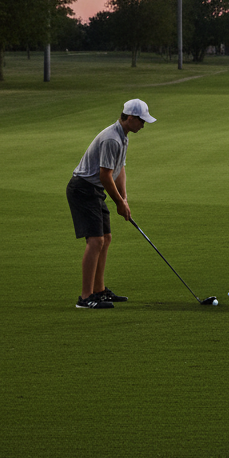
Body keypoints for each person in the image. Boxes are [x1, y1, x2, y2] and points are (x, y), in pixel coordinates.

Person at [66, 99, 156, 309]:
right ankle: (85, 297)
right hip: (83, 189)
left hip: (94, 190)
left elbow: (119, 169)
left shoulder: (122, 137)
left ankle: (99, 291)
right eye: (142, 121)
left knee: (106, 237)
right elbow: (105, 176)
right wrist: (118, 203)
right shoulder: (112, 139)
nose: (143, 125)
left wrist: (124, 199)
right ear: (131, 118)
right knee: (95, 241)